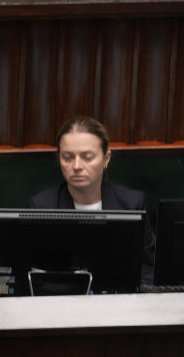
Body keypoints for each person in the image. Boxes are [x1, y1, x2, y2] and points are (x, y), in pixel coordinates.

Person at [29, 116, 156, 286]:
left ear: (106, 158)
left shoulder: (132, 204)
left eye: (87, 157)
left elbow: (147, 270)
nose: (76, 166)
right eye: (67, 157)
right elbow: (37, 275)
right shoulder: (41, 206)